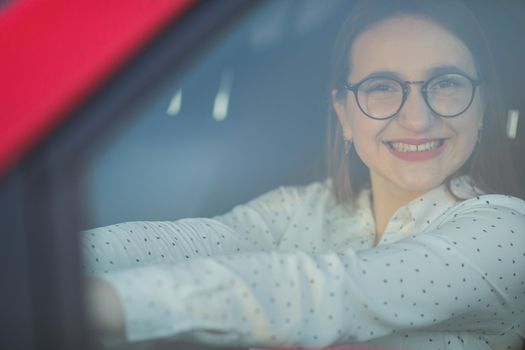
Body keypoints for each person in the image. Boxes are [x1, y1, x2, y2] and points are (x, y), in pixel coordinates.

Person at [83, 0, 525, 349]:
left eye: (446, 83)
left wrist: (81, 302)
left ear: (484, 104)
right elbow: (187, 242)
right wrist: (46, 267)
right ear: (344, 113)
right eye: (382, 88)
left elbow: (324, 291)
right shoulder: (304, 207)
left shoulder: (506, 233)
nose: (417, 119)